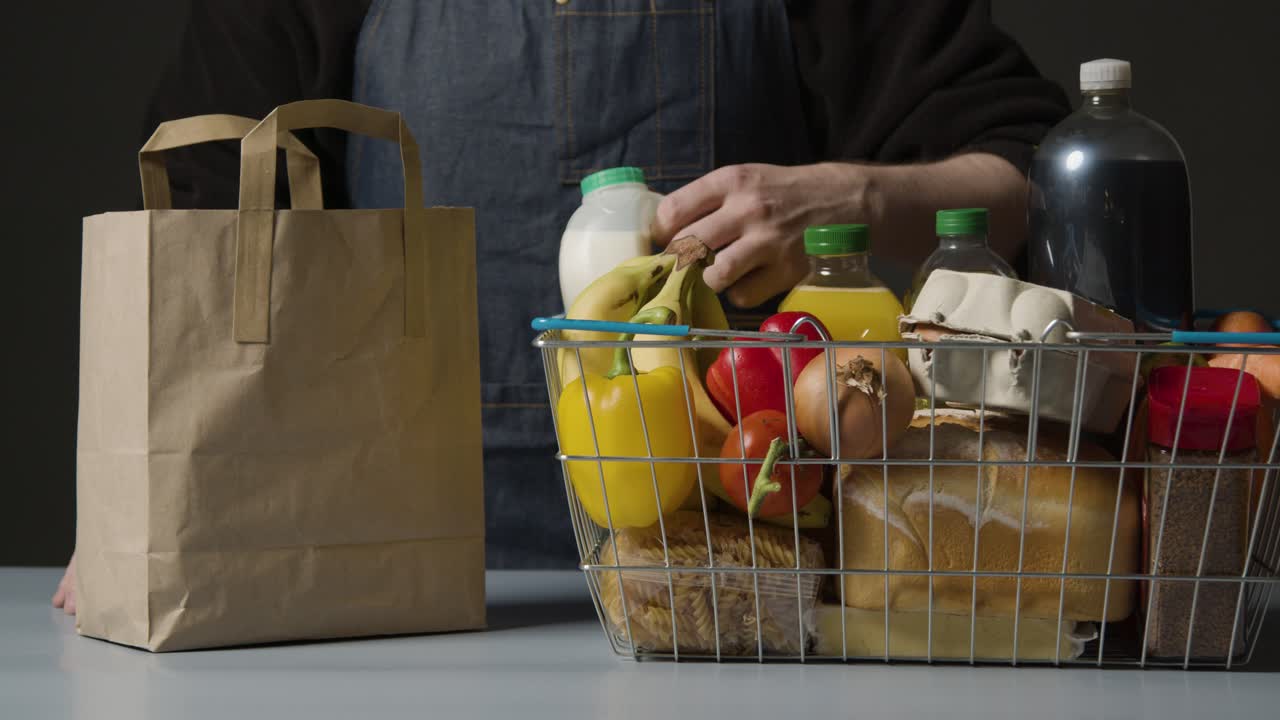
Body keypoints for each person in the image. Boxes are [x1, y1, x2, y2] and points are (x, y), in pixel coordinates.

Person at [55, 0, 1069, 612]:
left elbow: (1033, 171)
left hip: (736, 581)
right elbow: (202, 208)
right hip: (375, 580)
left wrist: (859, 197)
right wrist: (158, 502)